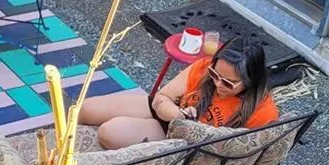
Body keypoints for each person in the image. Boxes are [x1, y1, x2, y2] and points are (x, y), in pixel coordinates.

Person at [79, 37, 279, 150]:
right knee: (86, 109)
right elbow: (162, 97)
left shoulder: (262, 112)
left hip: (182, 139)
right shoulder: (204, 67)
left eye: (228, 83)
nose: (218, 84)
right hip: (173, 113)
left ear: (250, 81)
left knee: (109, 132)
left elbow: (239, 153)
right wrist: (177, 114)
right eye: (214, 74)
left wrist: (193, 128)